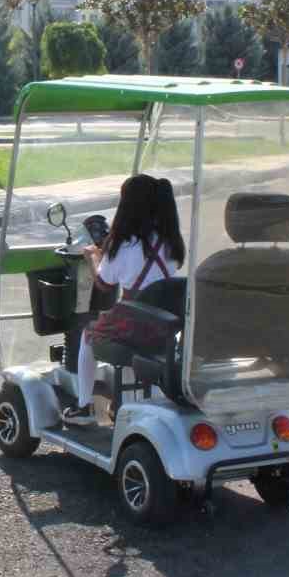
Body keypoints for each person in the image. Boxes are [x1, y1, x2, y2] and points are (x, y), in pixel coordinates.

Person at [64, 174, 186, 426]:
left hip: (135, 322)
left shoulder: (124, 244)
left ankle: (84, 407)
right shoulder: (171, 242)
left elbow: (104, 282)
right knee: (125, 336)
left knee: (89, 336)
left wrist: (93, 256)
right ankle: (126, 402)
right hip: (165, 326)